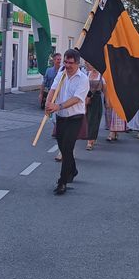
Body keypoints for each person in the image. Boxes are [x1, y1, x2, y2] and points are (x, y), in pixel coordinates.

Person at [45, 49, 89, 195]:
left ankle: (62, 182)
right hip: (61, 117)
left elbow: (76, 98)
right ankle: (73, 169)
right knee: (63, 148)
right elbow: (53, 90)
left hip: (75, 118)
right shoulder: (61, 74)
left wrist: (58, 106)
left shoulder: (83, 79)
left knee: (67, 148)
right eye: (66, 62)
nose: (68, 65)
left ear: (77, 63)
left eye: (71, 63)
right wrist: (48, 104)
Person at [83, 62, 105, 150]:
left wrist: (108, 101)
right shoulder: (86, 74)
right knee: (87, 119)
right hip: (86, 99)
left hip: (96, 99)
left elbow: (105, 90)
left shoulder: (101, 76)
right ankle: (90, 137)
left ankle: (90, 140)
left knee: (94, 120)